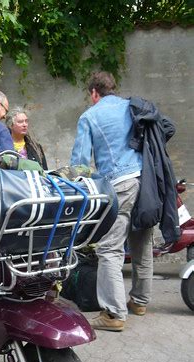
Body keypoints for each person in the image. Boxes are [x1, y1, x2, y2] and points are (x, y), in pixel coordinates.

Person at [70, 71, 153, 332]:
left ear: (94, 92)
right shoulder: (131, 106)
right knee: (142, 243)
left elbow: (80, 164)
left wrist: (76, 184)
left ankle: (114, 313)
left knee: (109, 248)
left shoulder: (90, 116)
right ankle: (139, 302)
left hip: (120, 184)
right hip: (146, 181)